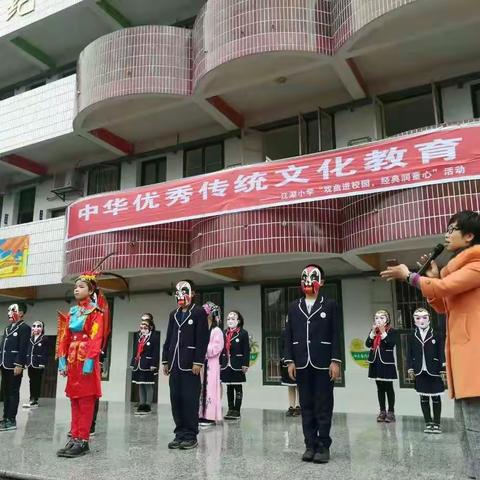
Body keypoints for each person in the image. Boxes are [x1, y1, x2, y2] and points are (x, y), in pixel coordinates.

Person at [380, 210, 480, 479]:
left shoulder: (478, 262)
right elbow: (443, 304)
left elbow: (444, 289)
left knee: (476, 427)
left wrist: (410, 276)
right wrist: (434, 278)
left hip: (475, 358)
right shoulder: (458, 269)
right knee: (465, 426)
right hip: (464, 360)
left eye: (453, 229)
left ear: (469, 236)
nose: (447, 234)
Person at [284, 264, 341, 464]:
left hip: (323, 362)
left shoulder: (330, 304)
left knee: (323, 405)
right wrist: (290, 360)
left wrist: (335, 360)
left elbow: (336, 334)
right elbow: (288, 335)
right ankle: (310, 445)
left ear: (322, 282)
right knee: (306, 405)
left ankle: (323, 445)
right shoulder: (293, 306)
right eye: (304, 278)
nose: (308, 281)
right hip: (300, 362)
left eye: (313, 277)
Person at [55, 270, 110, 458]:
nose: (76, 290)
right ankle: (74, 436)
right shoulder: (72, 312)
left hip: (86, 359)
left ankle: (83, 440)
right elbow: (65, 336)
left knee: (86, 401)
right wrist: (62, 360)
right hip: (72, 360)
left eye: (81, 287)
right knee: (74, 400)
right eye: (75, 287)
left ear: (91, 290)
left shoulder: (96, 313)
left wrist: (89, 361)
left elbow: (96, 337)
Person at [162, 280, 209, 450]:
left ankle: (190, 435)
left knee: (189, 399)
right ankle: (179, 434)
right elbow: (169, 338)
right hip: (175, 364)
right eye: (178, 291)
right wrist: (165, 360)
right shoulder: (173, 314)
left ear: (193, 293)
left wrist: (198, 361)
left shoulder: (198, 313)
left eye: (184, 290)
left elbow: (203, 339)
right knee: (176, 399)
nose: (180, 294)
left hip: (190, 364)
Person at [407, 307, 445, 434]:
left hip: (434, 369)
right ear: (414, 321)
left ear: (429, 319)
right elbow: (409, 353)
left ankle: (437, 423)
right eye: (418, 318)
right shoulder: (412, 335)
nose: (421, 320)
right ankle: (428, 422)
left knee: (436, 397)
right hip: (419, 370)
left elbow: (441, 352)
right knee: (423, 397)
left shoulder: (437, 334)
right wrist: (410, 368)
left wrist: (443, 367)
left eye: (424, 317)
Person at [0, 303, 31, 431]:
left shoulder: (24, 328)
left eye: (12, 310)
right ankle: (5, 417)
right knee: (5, 393)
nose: (9, 313)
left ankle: (12, 420)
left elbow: (23, 348)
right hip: (4, 364)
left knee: (13, 392)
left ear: (21, 312)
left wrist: (19, 364)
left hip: (14, 366)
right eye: (8, 310)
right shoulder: (8, 328)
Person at [365, 310, 398, 423]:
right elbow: (368, 344)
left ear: (387, 319)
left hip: (387, 363)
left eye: (382, 318)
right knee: (380, 388)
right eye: (377, 318)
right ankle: (382, 411)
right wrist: (372, 334)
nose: (379, 320)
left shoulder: (392, 331)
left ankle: (391, 412)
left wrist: (384, 333)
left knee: (389, 387)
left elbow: (390, 343)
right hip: (375, 362)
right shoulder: (374, 331)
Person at [220, 311, 250, 420]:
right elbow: (221, 349)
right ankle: (230, 409)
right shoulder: (224, 333)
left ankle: (237, 410)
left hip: (237, 363)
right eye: (228, 319)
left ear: (238, 321)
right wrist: (220, 363)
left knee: (237, 387)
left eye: (233, 319)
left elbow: (246, 350)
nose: (230, 321)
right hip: (226, 364)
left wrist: (245, 364)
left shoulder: (243, 333)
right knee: (229, 387)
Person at [199, 301, 224, 427]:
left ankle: (210, 417)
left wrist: (203, 349)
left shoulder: (217, 330)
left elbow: (217, 347)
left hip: (212, 363)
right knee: (201, 388)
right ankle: (200, 414)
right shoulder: (201, 329)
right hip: (201, 363)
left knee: (211, 389)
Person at [130, 313, 160, 415]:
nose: (142, 328)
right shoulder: (139, 336)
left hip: (148, 364)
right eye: (141, 326)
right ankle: (141, 403)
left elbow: (155, 351)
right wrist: (132, 362)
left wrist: (154, 364)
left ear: (150, 326)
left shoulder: (154, 336)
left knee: (148, 384)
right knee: (140, 384)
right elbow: (135, 349)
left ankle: (148, 405)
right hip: (139, 363)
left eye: (145, 325)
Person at [23, 321, 48, 409]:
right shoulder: (29, 339)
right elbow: (27, 351)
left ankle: (35, 399)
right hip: (30, 363)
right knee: (31, 381)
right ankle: (31, 398)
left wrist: (42, 363)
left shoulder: (44, 339)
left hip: (38, 364)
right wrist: (26, 362)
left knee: (37, 381)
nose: (36, 328)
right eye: (34, 326)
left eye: (38, 326)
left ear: (42, 328)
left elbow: (45, 352)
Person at [280, 327, 300, 417]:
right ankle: (291, 406)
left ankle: (298, 406)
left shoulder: (301, 330)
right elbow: (281, 347)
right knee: (290, 386)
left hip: (299, 362)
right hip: (288, 362)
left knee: (299, 385)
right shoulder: (284, 332)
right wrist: (284, 359)